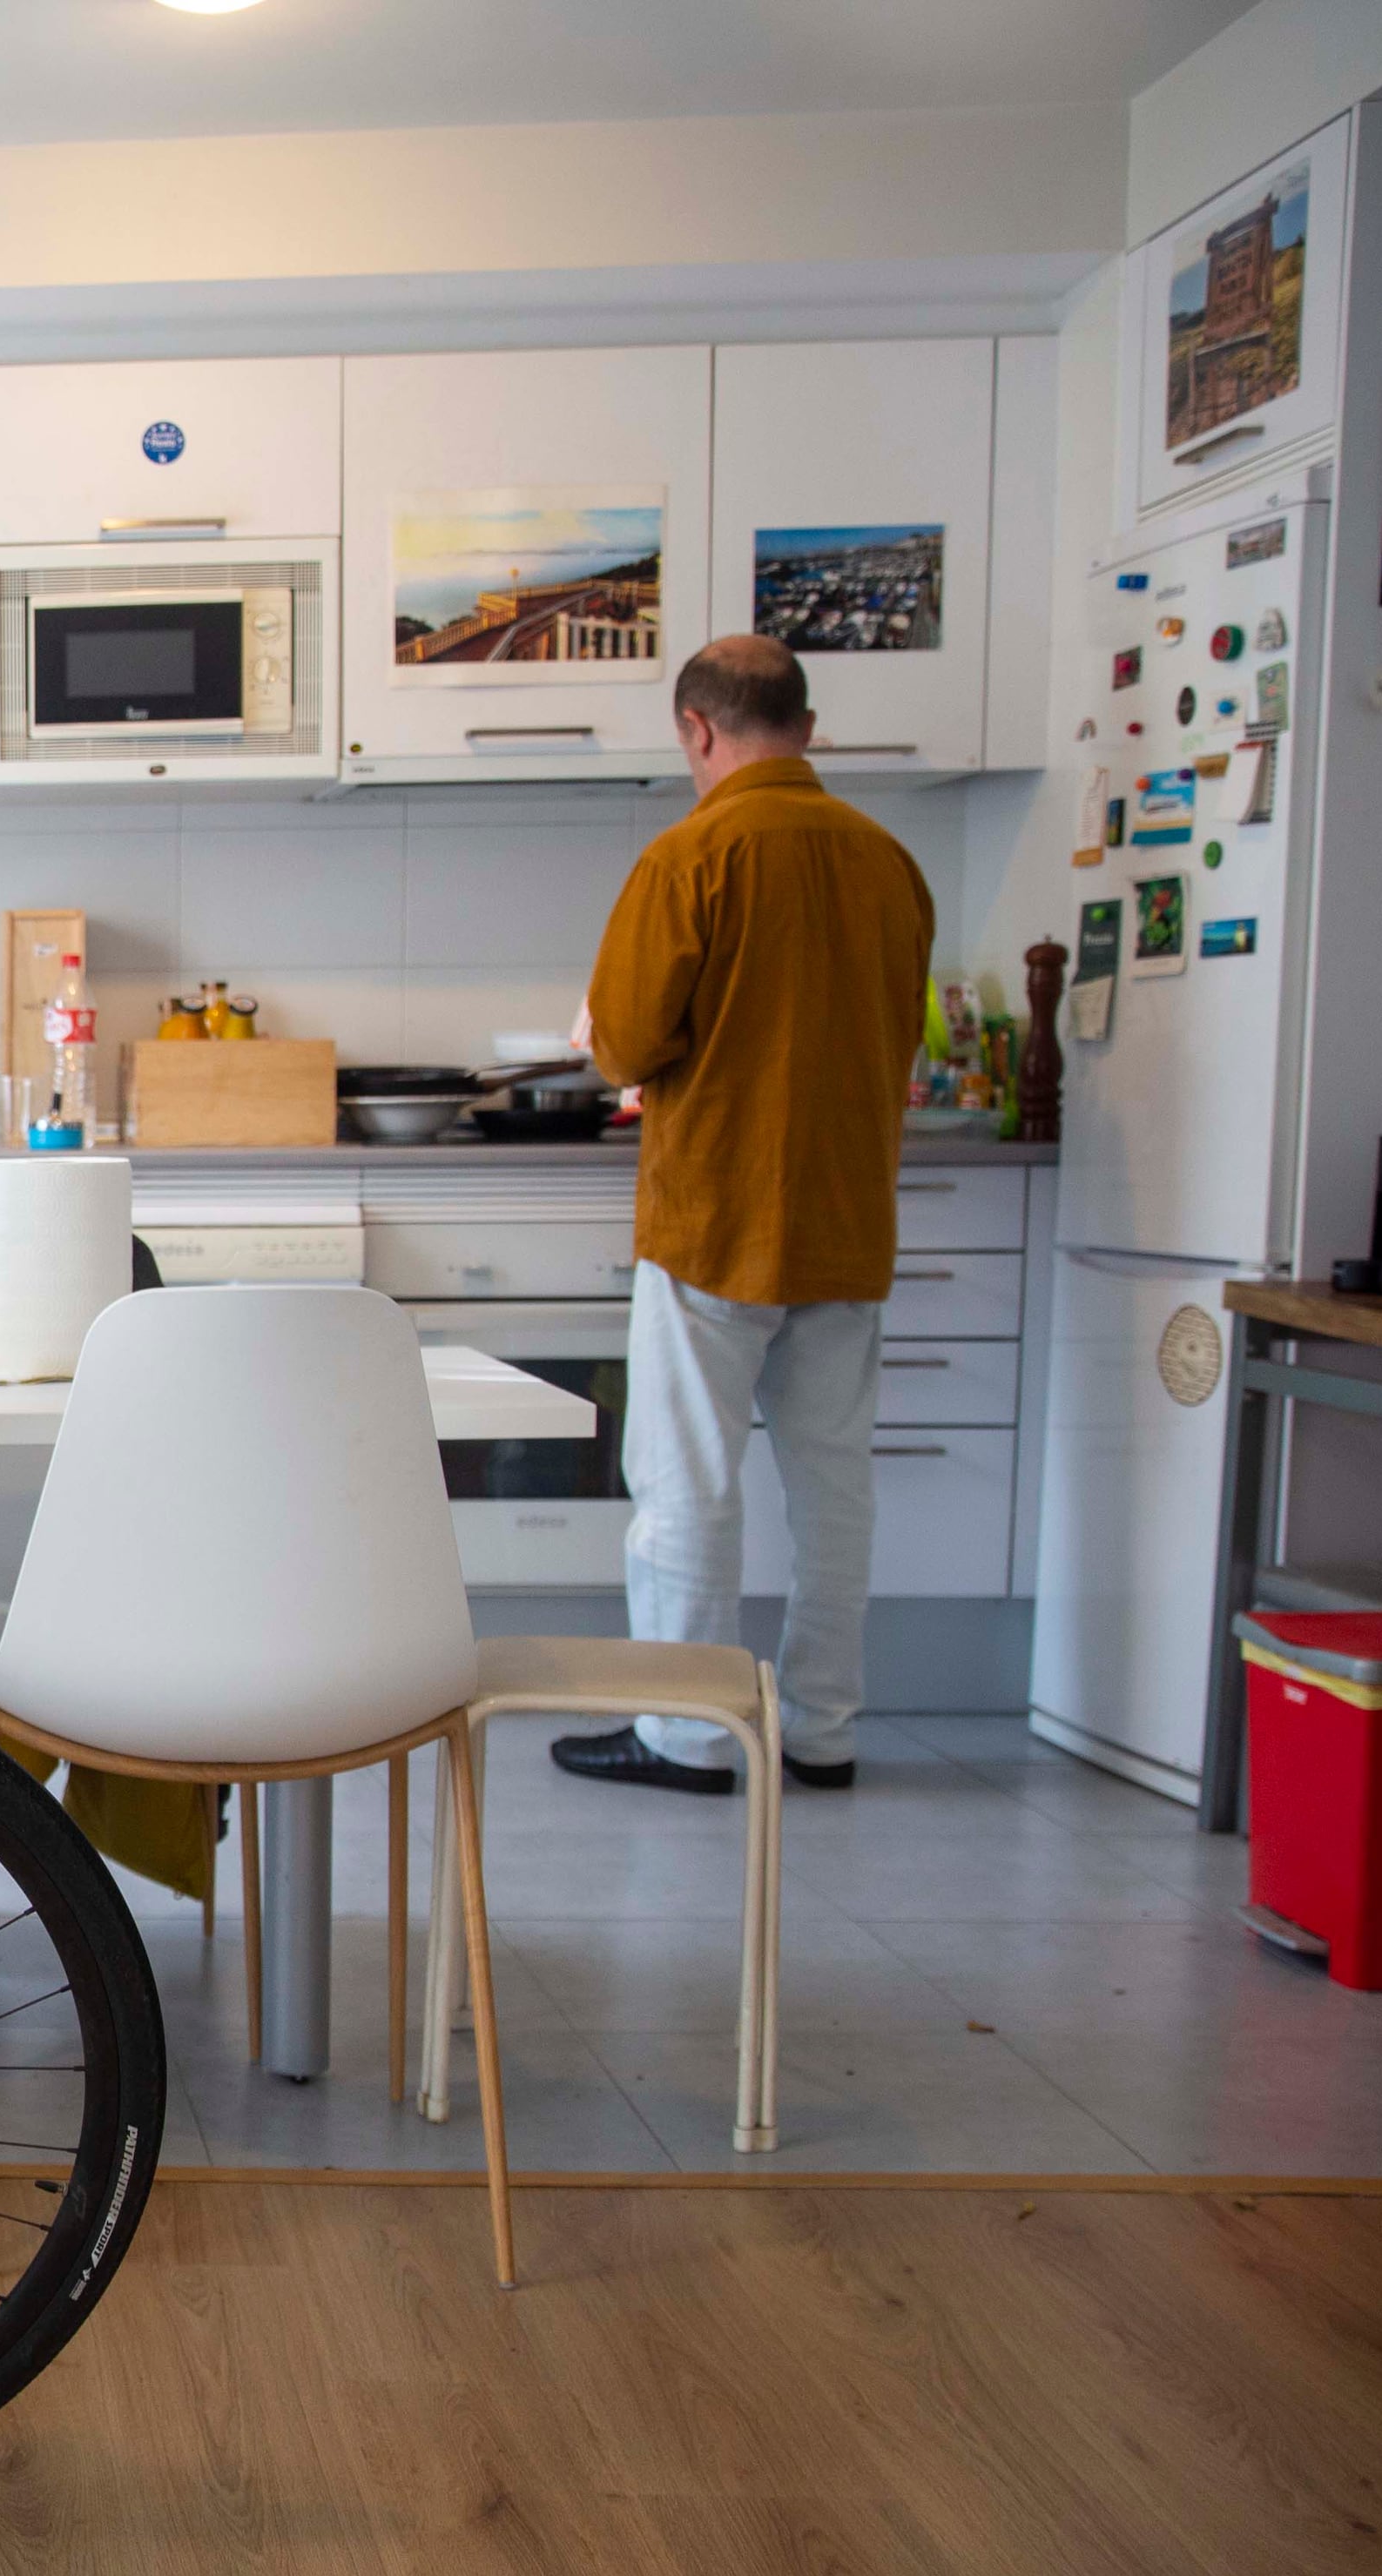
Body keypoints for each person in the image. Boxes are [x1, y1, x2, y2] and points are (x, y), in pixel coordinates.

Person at [555, 635, 933, 1797]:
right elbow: (903, 1032)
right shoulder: (891, 863)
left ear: (698, 732)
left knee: (689, 1482)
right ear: (808, 729)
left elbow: (621, 1040)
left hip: (717, 1212)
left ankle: (682, 1731)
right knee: (834, 1486)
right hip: (845, 1218)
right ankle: (822, 1730)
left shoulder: (691, 856)